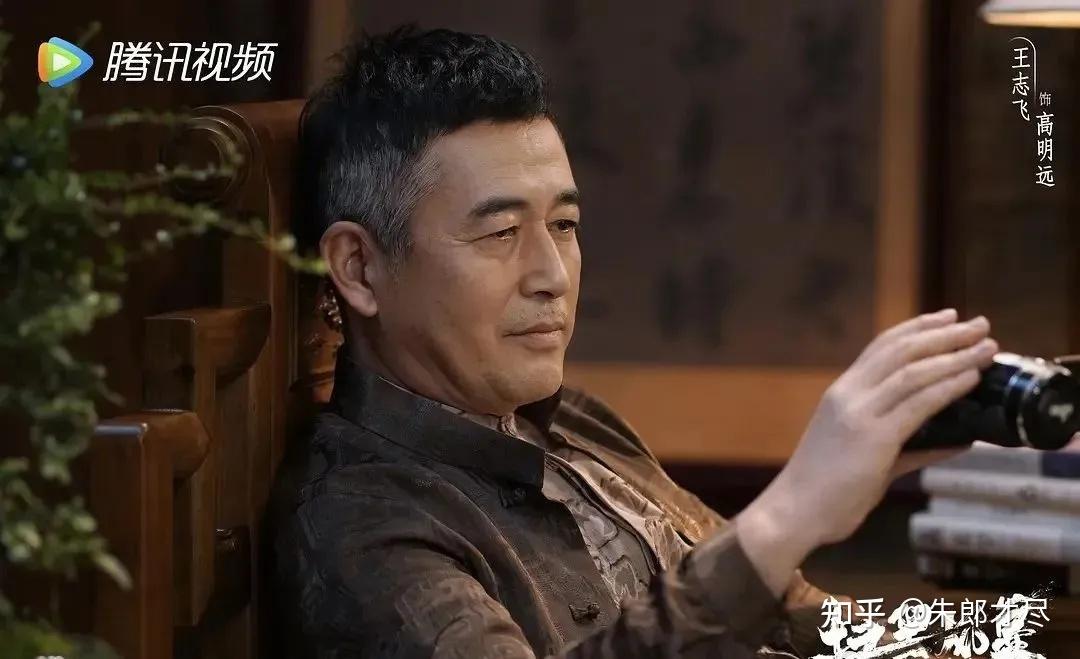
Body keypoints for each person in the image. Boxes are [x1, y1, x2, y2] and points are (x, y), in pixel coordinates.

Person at [268, 25, 996, 658]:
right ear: (358, 268)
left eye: (564, 226)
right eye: (500, 233)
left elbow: (790, 612)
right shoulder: (360, 523)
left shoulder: (575, 421)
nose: (553, 276)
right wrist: (792, 512)